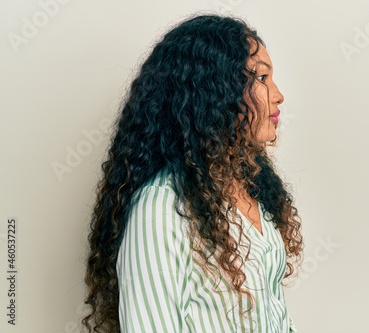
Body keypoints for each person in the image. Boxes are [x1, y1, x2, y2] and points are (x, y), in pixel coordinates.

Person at [82, 14, 303, 333]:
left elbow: (276, 317)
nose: (278, 94)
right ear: (213, 92)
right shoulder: (161, 209)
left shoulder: (254, 191)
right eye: (261, 78)